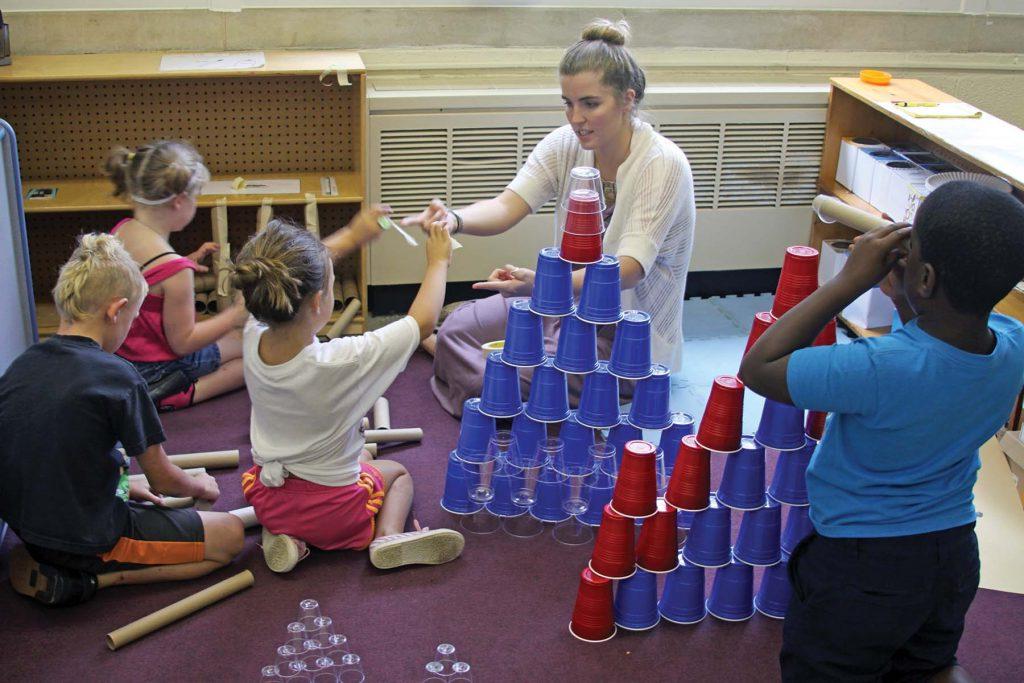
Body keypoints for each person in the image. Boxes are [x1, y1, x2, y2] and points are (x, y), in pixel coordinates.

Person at [739, 181, 1024, 681]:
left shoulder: (875, 368)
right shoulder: (1013, 343)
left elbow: (760, 367)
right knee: (931, 665)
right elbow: (941, 339)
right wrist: (911, 293)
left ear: (927, 278)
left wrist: (850, 279)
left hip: (862, 565)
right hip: (953, 553)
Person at [403, 18, 695, 416]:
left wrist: (543, 286)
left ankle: (471, 374)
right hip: (560, 305)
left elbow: (628, 269)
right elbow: (508, 205)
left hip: (624, 337)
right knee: (455, 331)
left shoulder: (662, 163)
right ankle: (473, 370)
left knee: (511, 377)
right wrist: (454, 219)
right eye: (568, 103)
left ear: (627, 99)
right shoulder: (566, 142)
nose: (576, 118)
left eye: (590, 104)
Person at [0, 234, 245, 607]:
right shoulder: (118, 377)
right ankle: (93, 579)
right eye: (131, 320)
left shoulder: (24, 363)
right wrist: (199, 487)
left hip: (27, 527)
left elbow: (57, 454)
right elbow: (165, 479)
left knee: (136, 482)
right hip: (87, 537)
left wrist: (123, 486)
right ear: (116, 310)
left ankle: (54, 557)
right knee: (230, 536)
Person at [232, 214, 464, 573]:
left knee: (356, 461)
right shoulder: (343, 360)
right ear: (319, 302)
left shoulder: (252, 332)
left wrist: (353, 234)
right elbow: (421, 324)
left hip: (270, 499)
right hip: (338, 513)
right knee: (397, 472)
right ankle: (386, 536)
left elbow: (294, 268)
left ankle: (290, 539)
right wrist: (439, 260)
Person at [106, 140, 247, 411]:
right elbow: (184, 343)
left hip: (124, 357)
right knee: (250, 352)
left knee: (235, 345)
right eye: (196, 197)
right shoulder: (176, 272)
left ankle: (163, 387)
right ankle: (175, 392)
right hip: (156, 367)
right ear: (180, 201)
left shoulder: (122, 231)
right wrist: (235, 315)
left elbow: (147, 276)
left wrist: (187, 259)